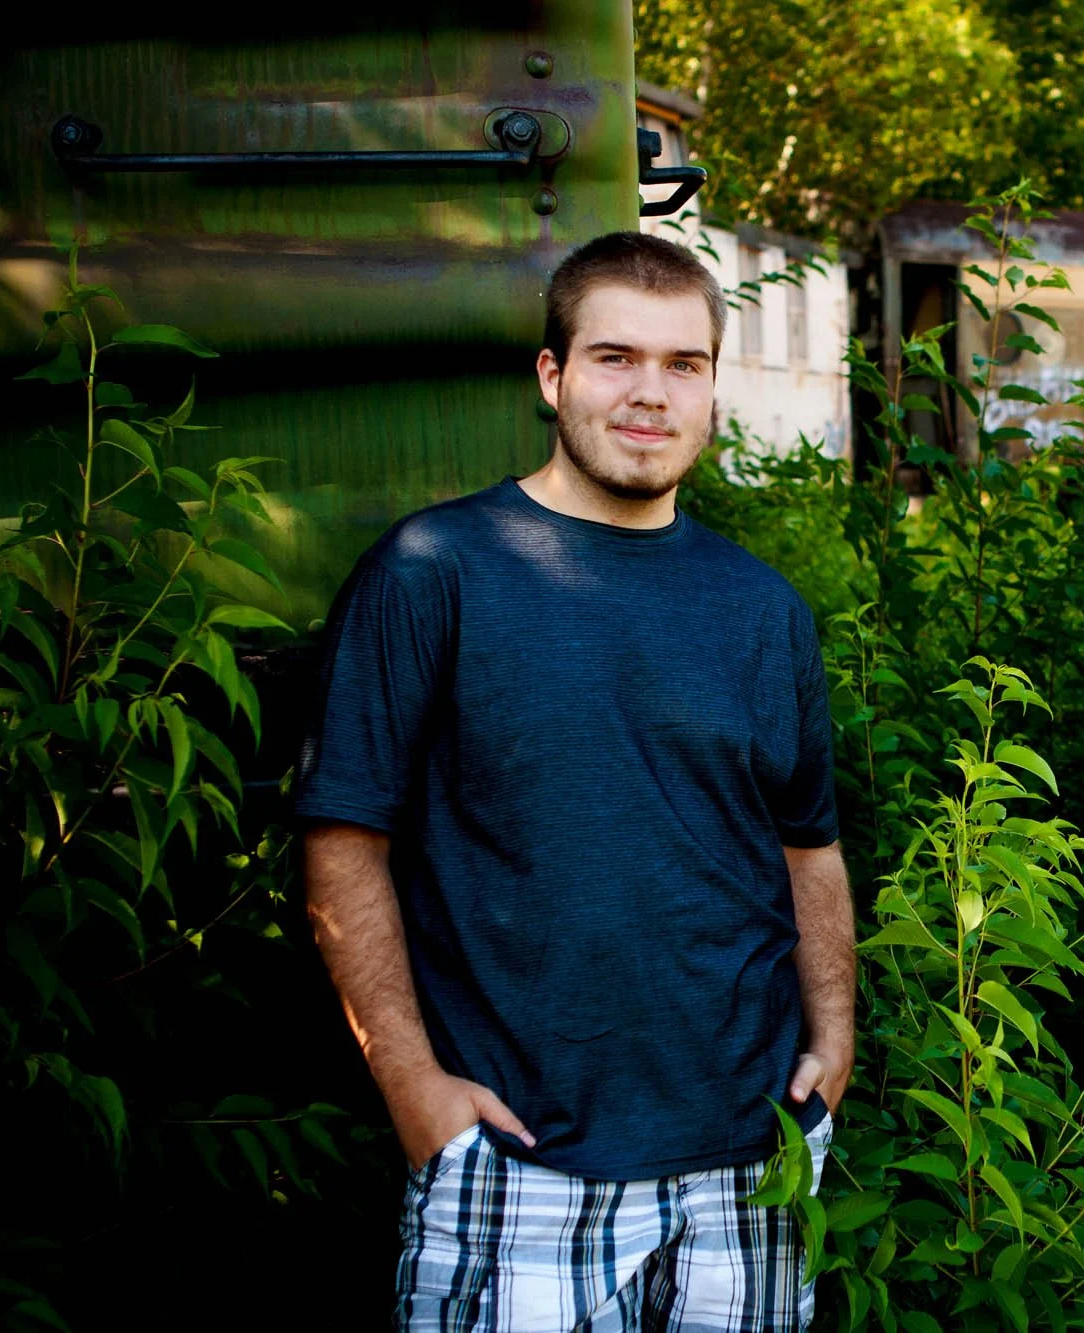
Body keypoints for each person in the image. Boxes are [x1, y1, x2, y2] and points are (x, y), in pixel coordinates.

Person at [296, 232, 855, 1330]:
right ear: (551, 378)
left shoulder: (760, 608)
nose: (649, 394)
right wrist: (416, 1094)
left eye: (682, 365)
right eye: (614, 357)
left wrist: (834, 1040)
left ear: (709, 389)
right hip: (519, 1165)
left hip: (746, 1162)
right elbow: (341, 840)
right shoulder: (433, 571)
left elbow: (806, 844)